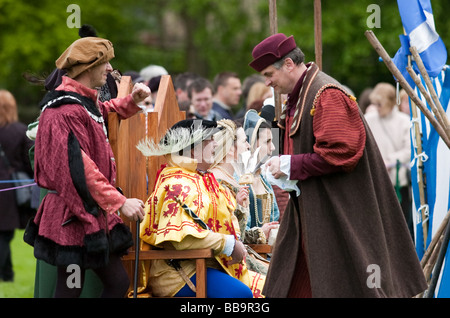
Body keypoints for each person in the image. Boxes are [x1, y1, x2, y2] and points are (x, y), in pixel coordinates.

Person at [249, 33, 427, 297]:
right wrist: (285, 170)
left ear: (288, 64)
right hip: (314, 213)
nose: (267, 82)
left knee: (350, 284)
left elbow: (342, 152)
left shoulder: (326, 94)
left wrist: (290, 165)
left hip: (343, 211)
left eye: (268, 73)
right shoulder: (302, 96)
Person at [23, 36, 150, 298]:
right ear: (87, 67)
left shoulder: (81, 102)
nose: (108, 69)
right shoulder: (63, 110)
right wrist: (119, 201)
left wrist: (132, 101)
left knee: (115, 284)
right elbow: (78, 166)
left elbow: (103, 111)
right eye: (104, 63)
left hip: (86, 210)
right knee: (70, 288)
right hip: (71, 214)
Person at [136, 119, 265, 298]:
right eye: (209, 139)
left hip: (204, 264)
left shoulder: (199, 178)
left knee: (273, 285)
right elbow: (184, 239)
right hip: (177, 273)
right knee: (241, 295)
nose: (216, 143)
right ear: (192, 148)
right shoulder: (177, 183)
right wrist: (228, 244)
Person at [365, 83, 413, 238]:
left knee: (400, 226)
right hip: (374, 180)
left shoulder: (404, 121)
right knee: (376, 226)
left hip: (398, 181)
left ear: (390, 102)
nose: (377, 107)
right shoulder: (369, 119)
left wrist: (390, 161)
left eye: (380, 104)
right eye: (375, 103)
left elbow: (409, 150)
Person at [0, 90, 35, 282]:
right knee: (4, 235)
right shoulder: (19, 130)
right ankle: (4, 274)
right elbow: (29, 160)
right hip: (7, 191)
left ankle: (7, 275)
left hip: (4, 188)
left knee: (3, 235)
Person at [242, 110, 280, 246]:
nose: (273, 147)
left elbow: (274, 218)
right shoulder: (240, 180)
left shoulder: (264, 180)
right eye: (267, 141)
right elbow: (239, 231)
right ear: (252, 143)